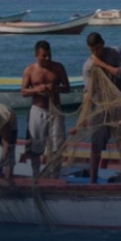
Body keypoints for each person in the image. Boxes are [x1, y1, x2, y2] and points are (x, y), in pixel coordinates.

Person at [77, 32, 121, 183]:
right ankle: (93, 180)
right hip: (100, 109)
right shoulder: (88, 67)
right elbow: (88, 93)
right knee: (96, 144)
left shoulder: (115, 53)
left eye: (98, 48)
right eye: (92, 50)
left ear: (103, 43)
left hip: (120, 106)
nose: (96, 53)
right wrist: (84, 117)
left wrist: (102, 64)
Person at [21, 40, 71, 178]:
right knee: (35, 146)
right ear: (37, 55)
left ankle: (55, 175)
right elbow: (24, 92)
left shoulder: (58, 67)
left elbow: (67, 88)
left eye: (49, 55)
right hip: (38, 111)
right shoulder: (30, 70)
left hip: (55, 110)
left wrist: (55, 88)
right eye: (44, 56)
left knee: (57, 145)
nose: (47, 58)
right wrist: (37, 90)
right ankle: (36, 175)